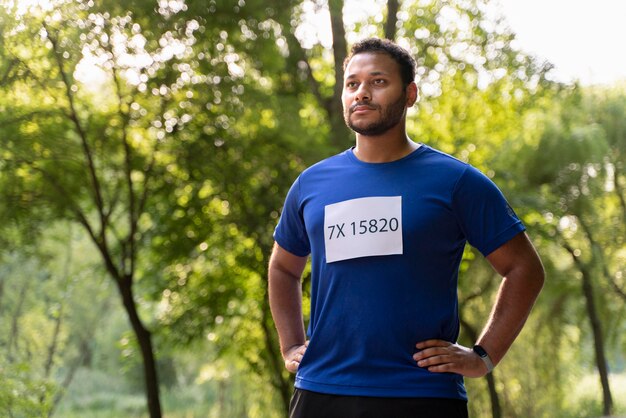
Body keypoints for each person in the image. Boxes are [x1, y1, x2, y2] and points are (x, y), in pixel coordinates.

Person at [268, 37, 544, 418]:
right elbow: (283, 268)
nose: (361, 93)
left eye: (378, 82)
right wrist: (289, 346)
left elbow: (524, 268)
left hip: (422, 393)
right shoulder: (312, 184)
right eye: (352, 84)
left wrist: (483, 356)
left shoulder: (455, 181)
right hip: (321, 390)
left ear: (410, 94)